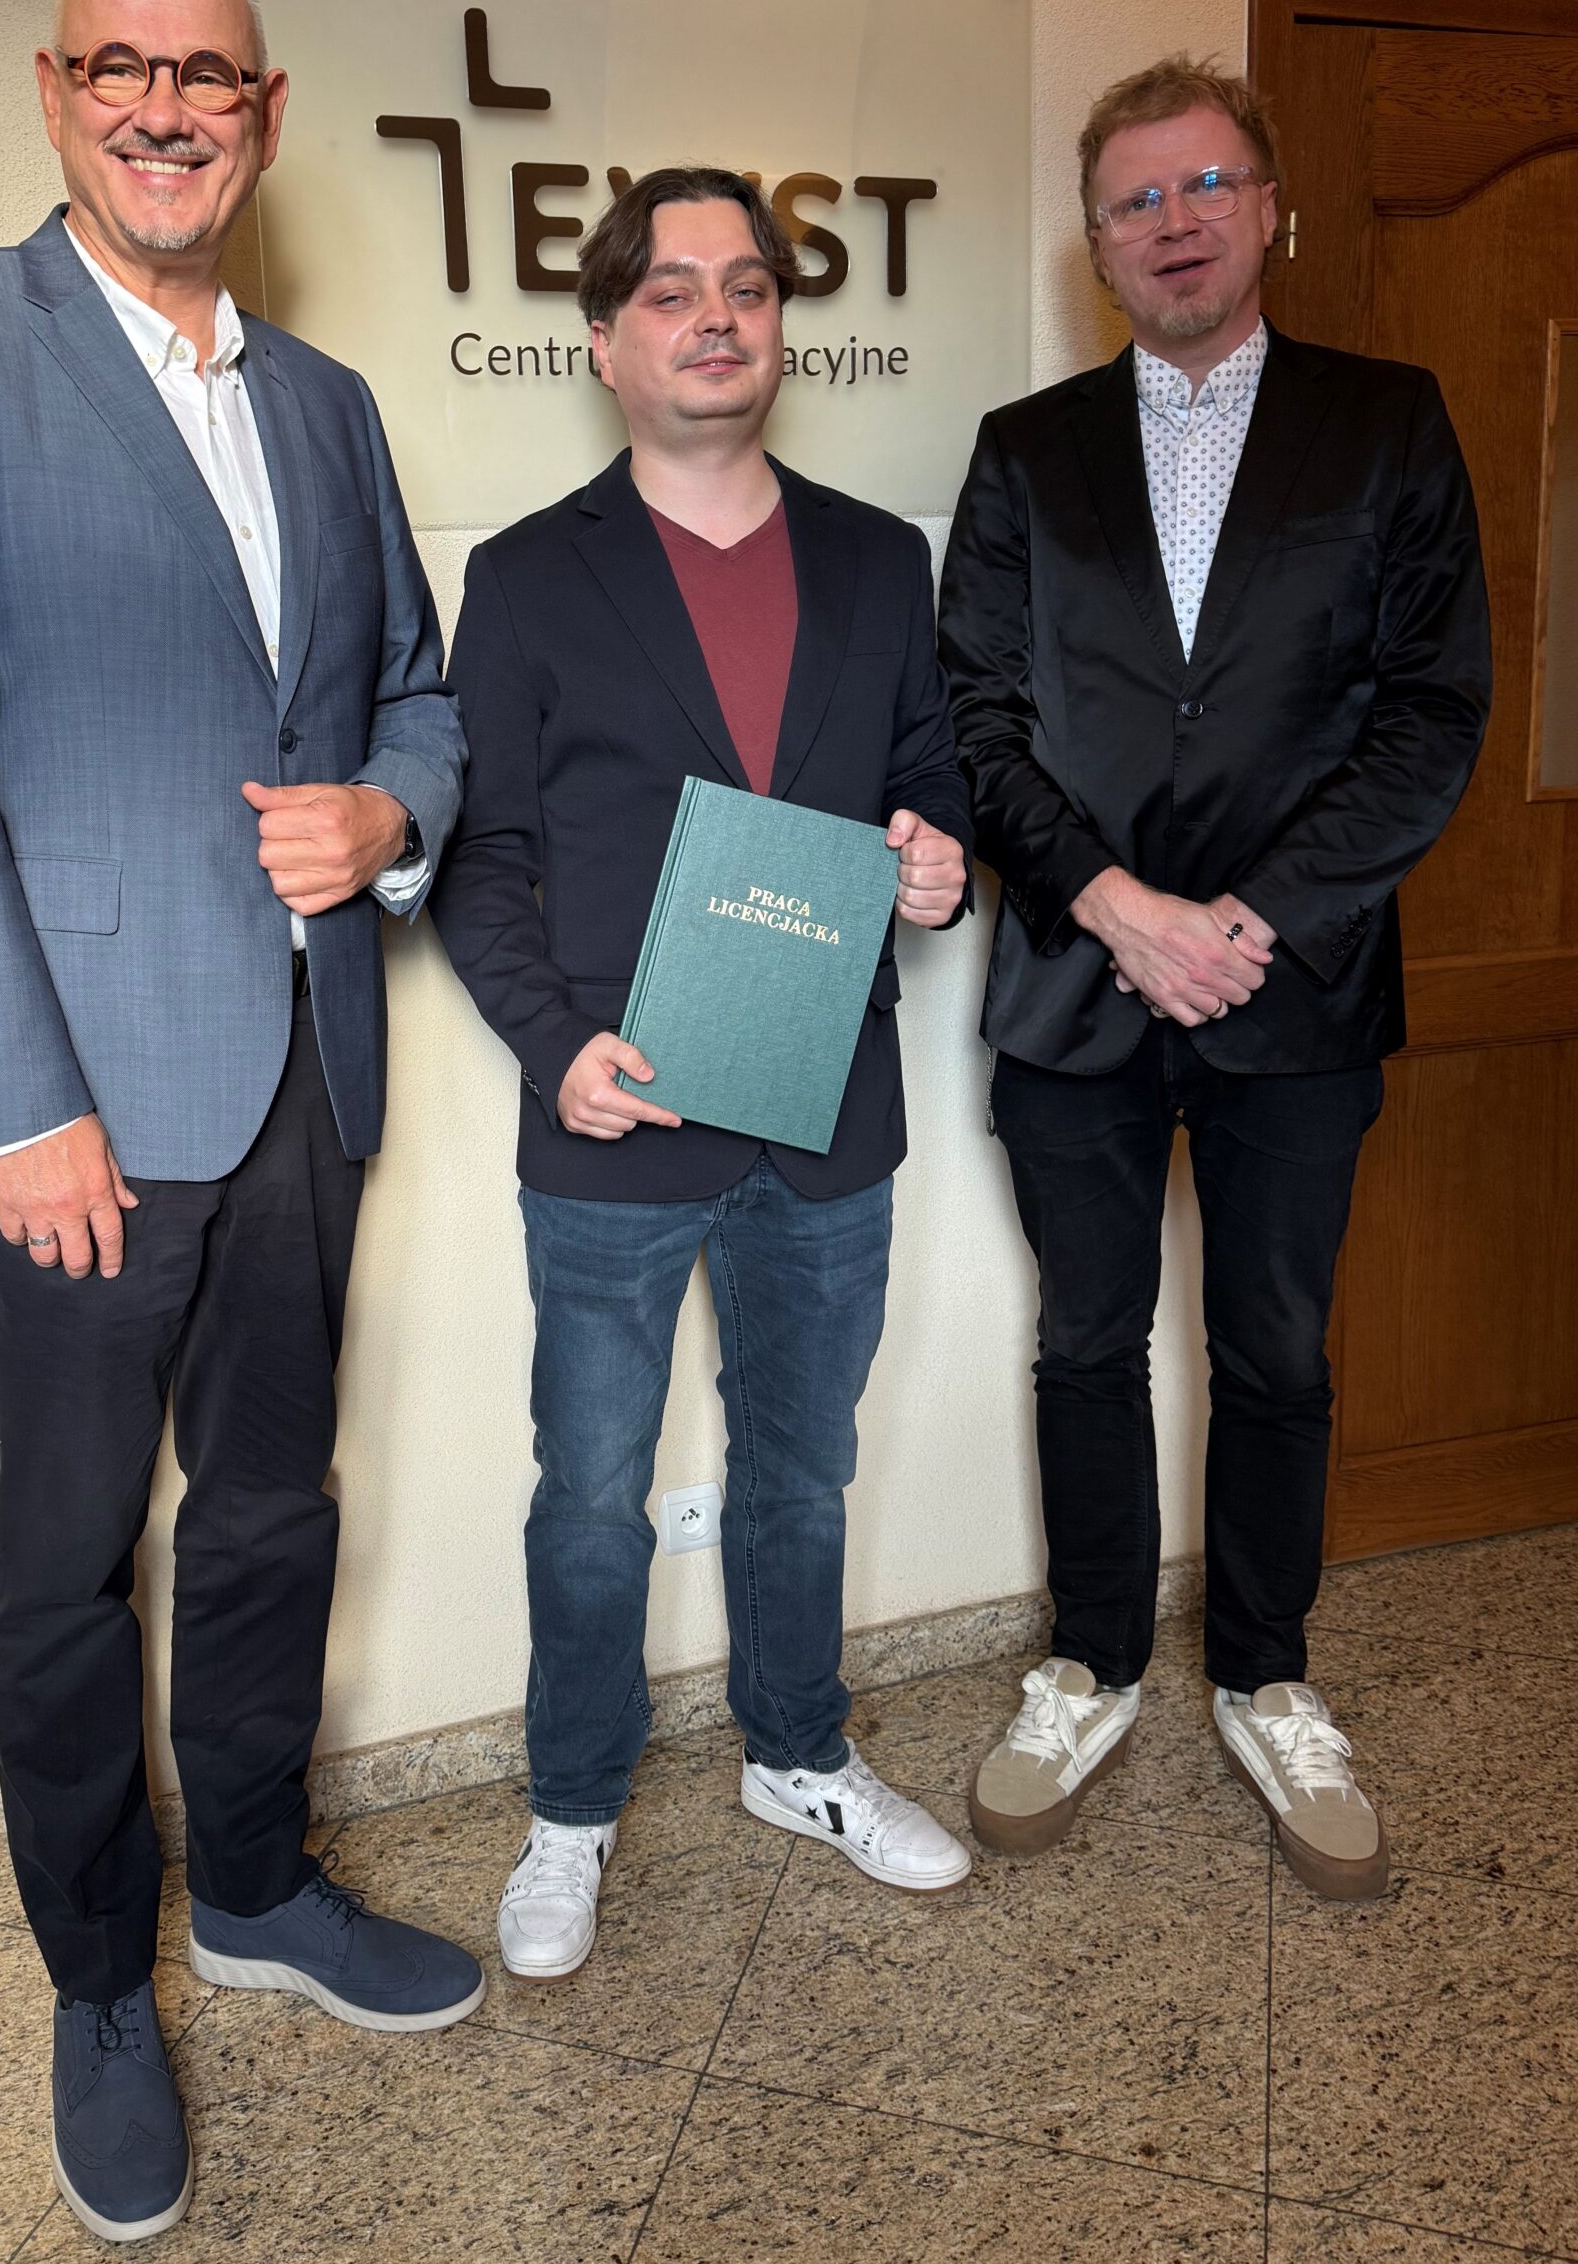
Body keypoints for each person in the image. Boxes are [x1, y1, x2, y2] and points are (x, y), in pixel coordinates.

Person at [0, 0, 476, 2244]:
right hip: (70, 1100)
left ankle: (257, 1885)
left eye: (209, 76)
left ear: (264, 116)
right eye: (122, 67)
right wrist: (16, 1098)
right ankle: (100, 1978)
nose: (166, 107)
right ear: (57, 90)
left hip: (304, 1068)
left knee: (275, 1504)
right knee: (74, 1547)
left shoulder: (330, 406)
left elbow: (418, 695)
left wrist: (384, 818)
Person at [938, 57, 1490, 1902]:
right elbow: (978, 716)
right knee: (1085, 1342)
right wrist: (1117, 906)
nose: (1171, 223)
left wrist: (1246, 920)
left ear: (1271, 210)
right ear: (1095, 244)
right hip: (1071, 985)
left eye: (1204, 186)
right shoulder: (1027, 451)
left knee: (1275, 1352)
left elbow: (1432, 715)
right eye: (1134, 200)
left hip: (1295, 990)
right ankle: (1090, 1665)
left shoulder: (1387, 425)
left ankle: (1265, 1674)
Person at [433, 165, 977, 1982]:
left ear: (780, 324)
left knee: (801, 1472)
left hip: (827, 1115)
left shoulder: (878, 559)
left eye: (745, 286)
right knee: (590, 1491)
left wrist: (937, 858)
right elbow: (485, 860)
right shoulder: (525, 577)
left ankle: (800, 1756)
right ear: (605, 341)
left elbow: (929, 777)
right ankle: (573, 1807)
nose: (715, 318)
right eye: (670, 292)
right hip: (619, 1113)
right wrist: (552, 1048)